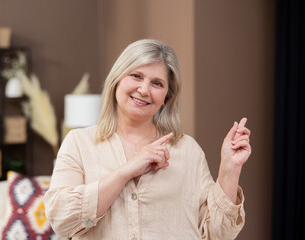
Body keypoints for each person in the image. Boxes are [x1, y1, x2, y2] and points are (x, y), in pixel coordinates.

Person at [43, 39, 251, 240]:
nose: (144, 90)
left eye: (157, 83)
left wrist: (230, 168)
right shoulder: (79, 143)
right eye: (136, 76)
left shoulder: (188, 150)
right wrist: (126, 171)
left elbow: (217, 234)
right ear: (117, 80)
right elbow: (62, 221)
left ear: (166, 98)